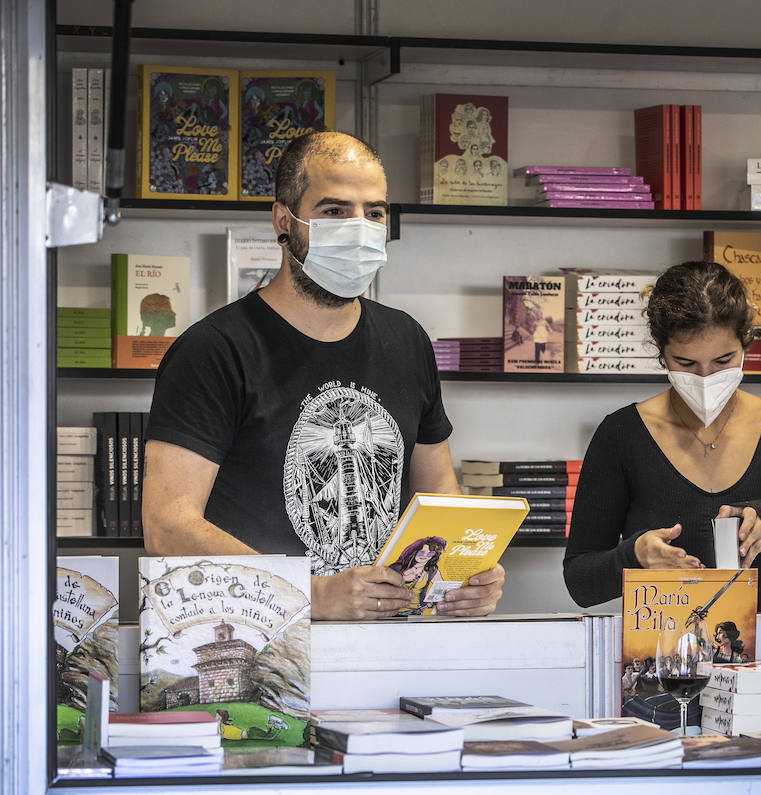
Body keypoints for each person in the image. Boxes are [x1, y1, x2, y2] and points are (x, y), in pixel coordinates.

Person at [142, 131, 505, 621]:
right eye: (334, 211)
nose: (359, 228)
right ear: (282, 222)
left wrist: (464, 573)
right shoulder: (214, 350)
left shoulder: (407, 341)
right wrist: (313, 595)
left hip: (387, 642)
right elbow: (167, 526)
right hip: (257, 641)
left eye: (374, 213)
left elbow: (438, 496)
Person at [562, 261, 761, 611]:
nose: (705, 378)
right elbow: (580, 583)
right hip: (657, 658)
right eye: (686, 364)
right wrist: (633, 556)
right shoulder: (620, 434)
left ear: (746, 345)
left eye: (723, 361)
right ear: (661, 352)